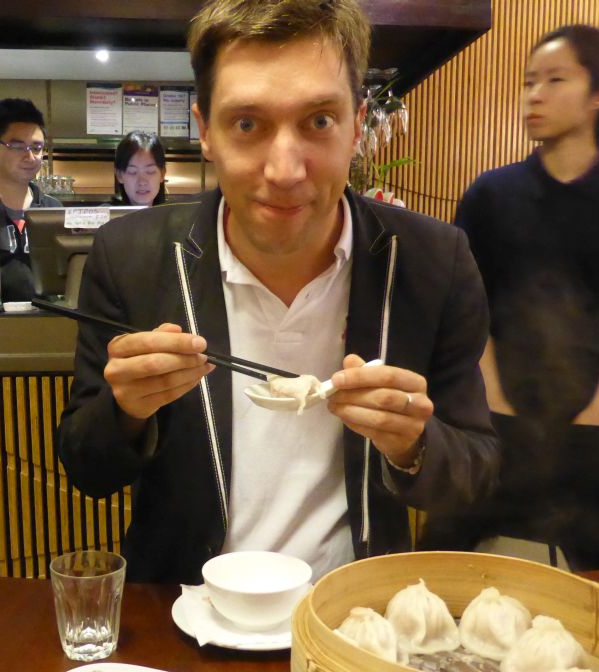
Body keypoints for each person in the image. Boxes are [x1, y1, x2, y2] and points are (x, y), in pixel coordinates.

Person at [56, 0, 499, 584]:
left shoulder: (431, 261)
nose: (286, 169)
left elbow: (478, 472)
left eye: (318, 121)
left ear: (356, 125)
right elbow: (88, 467)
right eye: (248, 124)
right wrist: (128, 411)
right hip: (182, 614)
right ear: (205, 132)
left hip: (353, 616)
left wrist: (412, 442)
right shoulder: (130, 257)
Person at [424, 25, 599, 569]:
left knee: (598, 570)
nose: (534, 95)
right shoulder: (492, 195)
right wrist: (493, 399)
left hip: (583, 422)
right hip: (492, 418)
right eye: (529, 82)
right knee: (436, 558)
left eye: (554, 80)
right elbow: (469, 308)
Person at [0, 98, 61, 301]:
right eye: (18, 147)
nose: (30, 157)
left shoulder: (52, 210)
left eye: (36, 147)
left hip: (45, 323)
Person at [113, 131, 167, 206]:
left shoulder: (174, 216)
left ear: (162, 174)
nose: (142, 182)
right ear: (119, 175)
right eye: (133, 172)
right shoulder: (105, 216)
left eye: (150, 171)